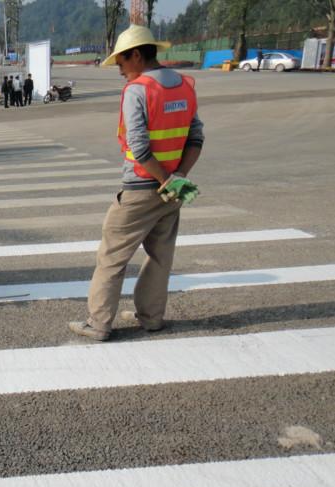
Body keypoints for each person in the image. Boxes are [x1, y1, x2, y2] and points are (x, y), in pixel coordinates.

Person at [68, 24, 204, 342]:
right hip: (172, 191)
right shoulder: (185, 86)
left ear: (138, 56)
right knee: (160, 255)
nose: (120, 70)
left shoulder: (138, 90)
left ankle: (98, 323)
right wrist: (178, 179)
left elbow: (140, 148)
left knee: (112, 256)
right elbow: (196, 138)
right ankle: (151, 318)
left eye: (121, 62)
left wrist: (165, 179)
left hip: (142, 187)